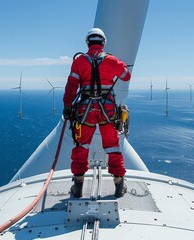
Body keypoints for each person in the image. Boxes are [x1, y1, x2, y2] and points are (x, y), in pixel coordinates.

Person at [63, 27, 131, 198]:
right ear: (103, 42)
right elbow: (126, 76)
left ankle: (77, 187)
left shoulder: (79, 61)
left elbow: (71, 86)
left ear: (88, 42)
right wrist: (118, 63)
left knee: (81, 145)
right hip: (107, 111)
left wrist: (67, 106)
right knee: (113, 146)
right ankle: (118, 185)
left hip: (85, 109)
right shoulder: (111, 60)